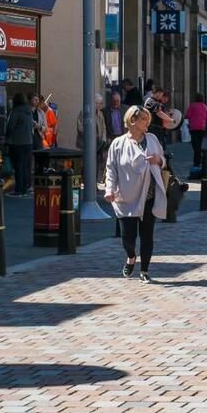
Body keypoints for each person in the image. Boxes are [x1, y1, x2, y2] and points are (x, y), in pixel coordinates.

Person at [104, 105, 168, 280]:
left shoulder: (152, 139)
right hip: (126, 195)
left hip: (149, 194)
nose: (147, 121)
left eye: (148, 118)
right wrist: (109, 189)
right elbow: (111, 169)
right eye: (143, 118)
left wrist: (158, 160)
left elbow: (163, 160)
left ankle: (145, 270)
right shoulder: (118, 144)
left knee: (147, 234)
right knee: (128, 237)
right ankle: (131, 257)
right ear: (132, 120)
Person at [4, 93, 37, 196]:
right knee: (26, 166)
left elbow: (10, 127)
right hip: (28, 142)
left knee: (18, 167)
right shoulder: (29, 111)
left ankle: (18, 189)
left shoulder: (16, 111)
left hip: (17, 143)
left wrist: (6, 137)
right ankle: (26, 187)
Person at [76, 95, 109, 173]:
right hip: (86, 142)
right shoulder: (84, 112)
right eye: (99, 103)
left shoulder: (100, 114)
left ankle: (95, 181)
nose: (100, 105)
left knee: (96, 162)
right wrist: (90, 136)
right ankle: (85, 180)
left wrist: (103, 139)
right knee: (86, 162)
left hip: (98, 143)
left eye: (101, 103)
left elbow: (103, 127)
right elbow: (80, 127)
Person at [186, 93, 207, 172]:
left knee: (195, 145)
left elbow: (188, 115)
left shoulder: (192, 105)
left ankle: (196, 162)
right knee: (200, 145)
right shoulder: (204, 106)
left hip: (193, 127)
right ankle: (201, 161)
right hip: (202, 127)